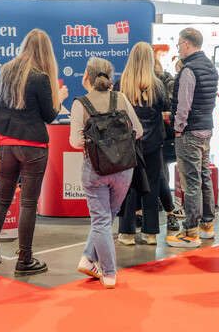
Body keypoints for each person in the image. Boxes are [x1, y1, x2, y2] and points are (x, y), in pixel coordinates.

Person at [0, 29, 69, 276]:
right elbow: (49, 116)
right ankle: (25, 259)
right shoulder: (41, 77)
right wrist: (60, 97)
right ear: (45, 51)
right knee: (28, 204)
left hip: (4, 143)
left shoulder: (5, 70)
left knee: (2, 200)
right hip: (32, 146)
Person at [71, 57, 142, 288]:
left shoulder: (80, 103)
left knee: (101, 220)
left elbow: (75, 142)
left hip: (94, 169)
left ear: (87, 76)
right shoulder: (120, 98)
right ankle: (88, 258)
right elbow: (138, 131)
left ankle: (109, 273)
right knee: (107, 216)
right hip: (123, 169)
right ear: (110, 77)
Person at [166, 28, 218, 248]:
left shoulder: (189, 69)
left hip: (190, 132)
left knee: (192, 182)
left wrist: (178, 127)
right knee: (204, 177)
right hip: (206, 129)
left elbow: (184, 104)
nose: (178, 49)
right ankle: (207, 225)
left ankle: (190, 231)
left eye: (179, 44)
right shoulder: (210, 67)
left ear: (187, 44)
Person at [116, 42, 166, 245]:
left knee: (127, 187)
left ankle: (127, 233)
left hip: (128, 144)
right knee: (152, 186)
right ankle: (150, 233)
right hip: (152, 144)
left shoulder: (121, 84)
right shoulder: (157, 86)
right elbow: (164, 107)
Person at [152, 46, 180, 233]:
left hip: (149, 133)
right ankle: (165, 205)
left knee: (157, 170)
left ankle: (156, 205)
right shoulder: (165, 80)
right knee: (162, 171)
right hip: (161, 133)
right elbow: (169, 103)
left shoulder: (132, 80)